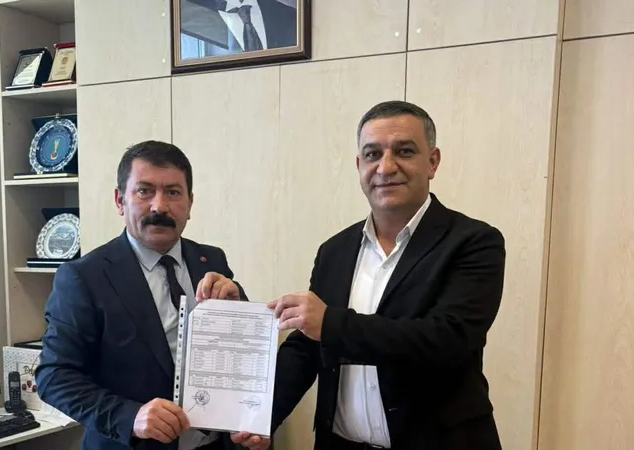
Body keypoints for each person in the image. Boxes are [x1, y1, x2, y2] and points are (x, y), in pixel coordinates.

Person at [238, 101, 506, 450]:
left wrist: (330, 324)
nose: (386, 166)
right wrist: (261, 417)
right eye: (372, 154)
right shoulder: (334, 250)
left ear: (432, 161)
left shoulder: (474, 242)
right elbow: (308, 346)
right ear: (359, 165)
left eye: (404, 151)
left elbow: (447, 339)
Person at [35, 140, 248, 450]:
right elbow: (54, 376)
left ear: (189, 203)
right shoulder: (84, 277)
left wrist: (238, 307)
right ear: (120, 200)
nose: (159, 206)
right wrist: (129, 416)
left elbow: (237, 357)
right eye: (144, 191)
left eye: (173, 192)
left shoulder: (212, 260)